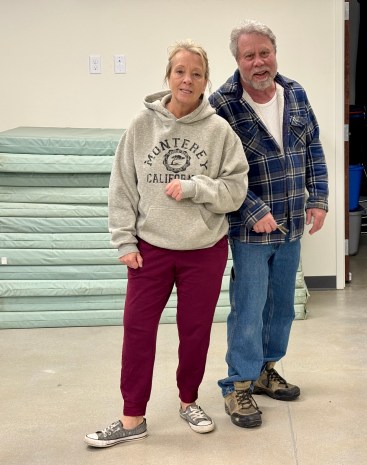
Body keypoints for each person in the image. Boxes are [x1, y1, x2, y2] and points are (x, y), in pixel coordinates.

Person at [84, 39, 249, 447]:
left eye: (196, 73)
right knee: (137, 330)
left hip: (204, 250)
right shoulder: (142, 127)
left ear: (205, 80)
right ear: (168, 76)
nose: (187, 79)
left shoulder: (219, 131)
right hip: (150, 249)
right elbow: (121, 187)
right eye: (180, 71)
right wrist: (124, 240)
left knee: (195, 333)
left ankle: (189, 400)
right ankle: (131, 417)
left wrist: (195, 187)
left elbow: (236, 190)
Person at [209, 20, 329, 428]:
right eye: (249, 56)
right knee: (248, 308)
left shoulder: (295, 92)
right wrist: (251, 208)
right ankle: (237, 386)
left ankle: (265, 369)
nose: (259, 62)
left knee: (282, 308)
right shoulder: (222, 104)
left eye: (265, 53)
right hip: (250, 232)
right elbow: (218, 172)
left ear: (274, 52)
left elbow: (312, 146)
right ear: (237, 60)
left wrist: (321, 199)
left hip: (293, 220)